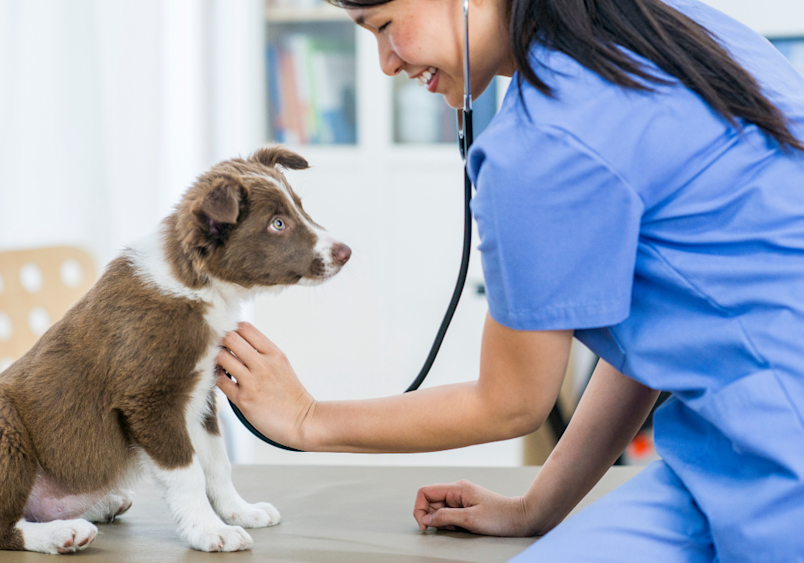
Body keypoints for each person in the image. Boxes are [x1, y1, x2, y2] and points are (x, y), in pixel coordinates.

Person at [216, 0, 804, 560]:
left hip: (780, 453)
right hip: (722, 450)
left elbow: (510, 403)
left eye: (384, 24)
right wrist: (536, 509)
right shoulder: (660, 28)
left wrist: (306, 419)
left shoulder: (543, 144)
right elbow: (655, 333)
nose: (386, 61)